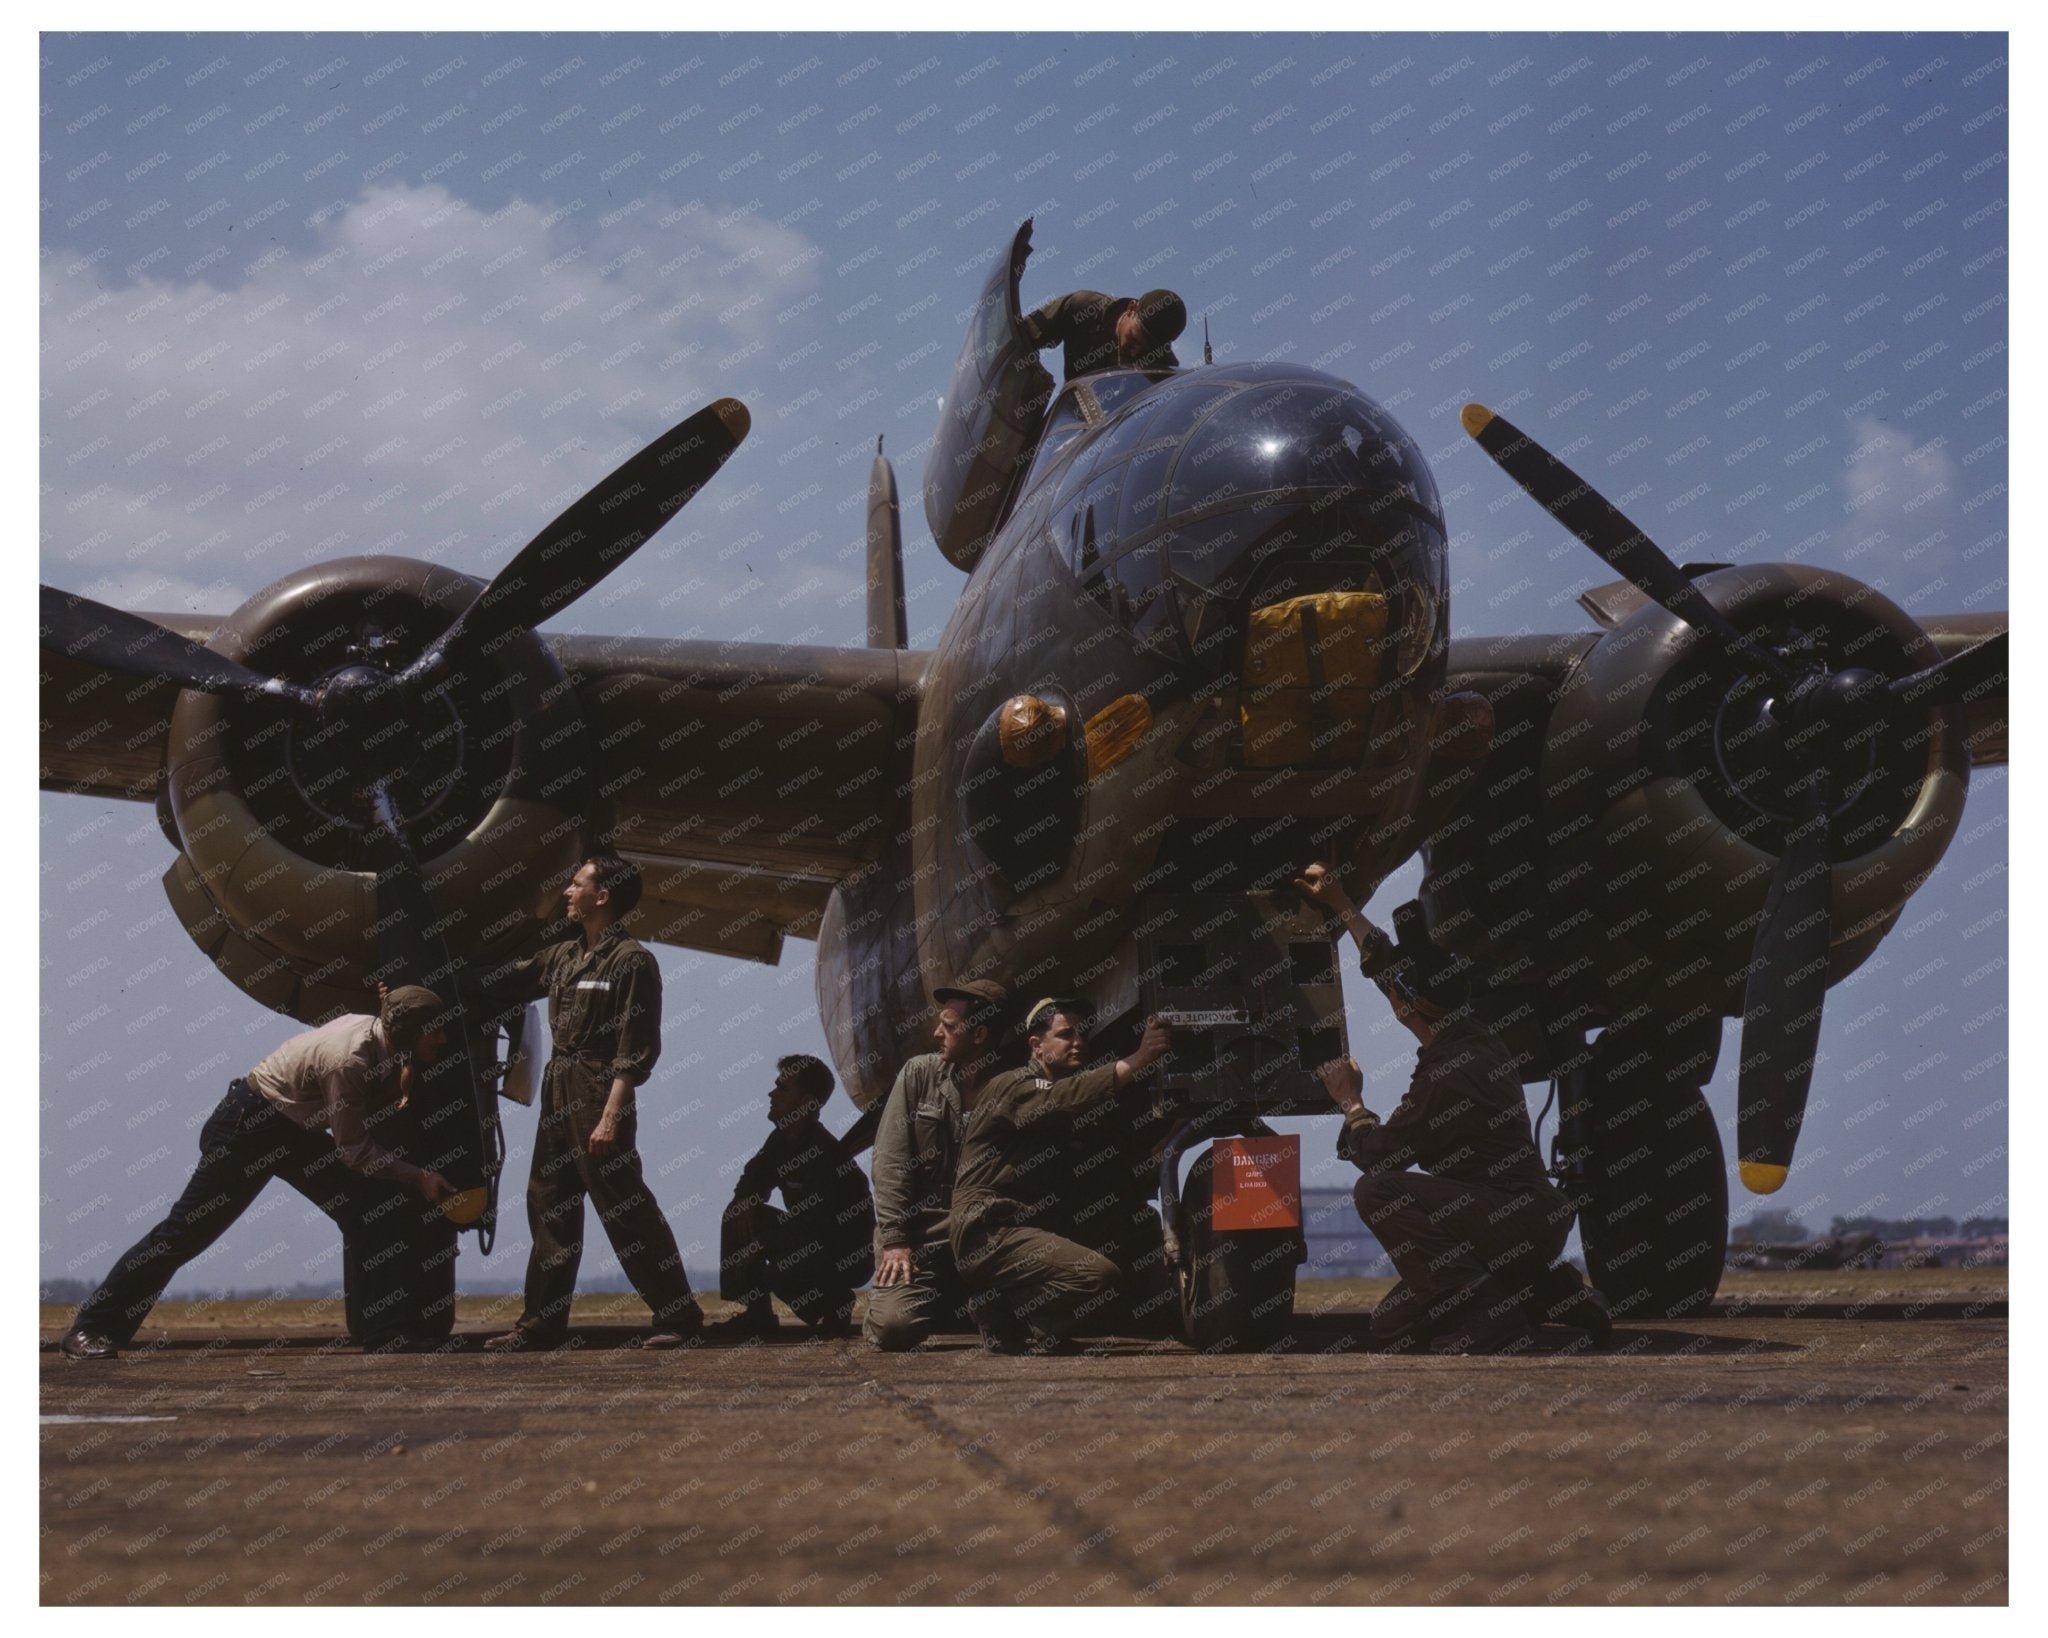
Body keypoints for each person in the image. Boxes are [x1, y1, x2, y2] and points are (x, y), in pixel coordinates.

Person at [1296, 862, 1602, 1354]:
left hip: (1506, 1220)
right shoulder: (1474, 1030)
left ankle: (1492, 1317)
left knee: (1377, 1191)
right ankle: (1548, 1292)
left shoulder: (1445, 1077)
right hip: (1523, 1222)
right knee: (1392, 1326)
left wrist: (1351, 1103)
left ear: (1403, 1008)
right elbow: (1393, 972)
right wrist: (1340, 905)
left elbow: (1379, 1155)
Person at [58, 987, 459, 1360]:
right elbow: (354, 1151)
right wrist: (417, 1176)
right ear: (406, 1031)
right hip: (250, 1126)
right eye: (435, 1031)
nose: (443, 1040)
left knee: (369, 1206)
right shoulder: (349, 1059)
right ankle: (90, 1328)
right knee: (184, 1233)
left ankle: (385, 1332)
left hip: (292, 1130)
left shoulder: (384, 1039)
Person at [482, 853, 703, 1351]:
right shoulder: (563, 956)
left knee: (624, 1208)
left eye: (576, 884)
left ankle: (680, 1316)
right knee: (548, 1204)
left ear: (601, 896)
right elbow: (503, 981)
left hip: (599, 1092)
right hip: (557, 1088)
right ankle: (539, 1325)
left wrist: (610, 1118)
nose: (567, 892)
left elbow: (635, 1050)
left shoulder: (632, 962)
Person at [949, 999, 1173, 1353]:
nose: (1079, 1041)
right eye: (1066, 1034)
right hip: (989, 1229)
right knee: (1096, 1276)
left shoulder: (1064, 1099)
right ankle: (1006, 1313)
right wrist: (1138, 1059)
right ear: (1036, 1046)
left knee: (1136, 1228)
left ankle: (1019, 1314)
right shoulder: (1012, 1086)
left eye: (1083, 1034)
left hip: (1028, 1225)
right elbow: (1063, 1097)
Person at [864, 980, 1007, 1351]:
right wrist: (896, 1240)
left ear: (979, 1035)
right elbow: (890, 1162)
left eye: (948, 1025)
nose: (936, 1032)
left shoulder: (1013, 1084)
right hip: (922, 1230)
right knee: (894, 1329)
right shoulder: (918, 1075)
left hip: (983, 1231)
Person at [713, 1054, 875, 1338]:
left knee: (779, 1273)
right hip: (808, 1240)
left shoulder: (825, 1154)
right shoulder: (781, 1141)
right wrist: (748, 1211)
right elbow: (750, 1184)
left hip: (844, 1253)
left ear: (807, 1103)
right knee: (739, 1213)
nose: (771, 1093)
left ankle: (835, 1302)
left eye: (783, 1088)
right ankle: (757, 1315)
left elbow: (827, 1230)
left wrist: (765, 1255)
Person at [1021, 288, 1187, 381]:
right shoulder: (1082, 308)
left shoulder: (1165, 372)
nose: (1135, 352)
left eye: (1146, 349)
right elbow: (1021, 339)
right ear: (1131, 309)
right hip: (1067, 419)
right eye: (1134, 338)